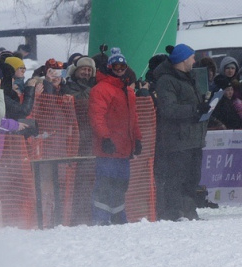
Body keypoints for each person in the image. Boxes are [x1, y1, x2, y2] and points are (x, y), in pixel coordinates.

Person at [151, 44, 209, 221]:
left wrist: (204, 106)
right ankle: (173, 212)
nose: (194, 60)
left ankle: (189, 211)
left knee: (192, 178)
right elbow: (168, 109)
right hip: (178, 139)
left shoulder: (187, 78)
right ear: (183, 59)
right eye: (192, 57)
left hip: (193, 138)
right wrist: (195, 109)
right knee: (177, 178)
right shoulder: (166, 81)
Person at [88, 48, 142, 225]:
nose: (119, 69)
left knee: (121, 184)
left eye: (123, 65)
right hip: (108, 147)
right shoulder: (101, 89)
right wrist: (105, 138)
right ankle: (101, 218)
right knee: (105, 182)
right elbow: (97, 116)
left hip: (124, 148)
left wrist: (137, 138)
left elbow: (133, 118)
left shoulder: (127, 91)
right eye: (116, 66)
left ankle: (118, 216)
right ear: (110, 66)